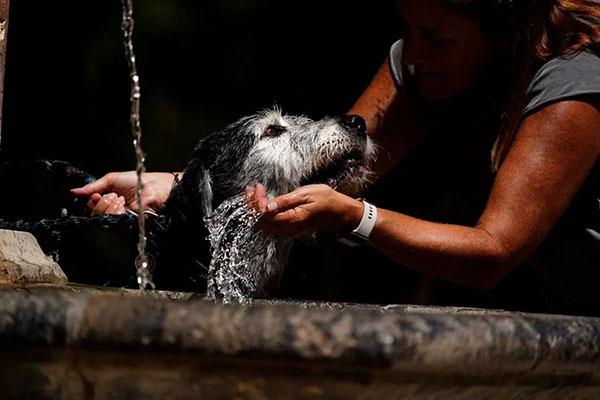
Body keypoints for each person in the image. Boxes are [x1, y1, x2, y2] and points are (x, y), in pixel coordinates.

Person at [73, 0, 600, 311]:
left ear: (500, 32)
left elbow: (492, 252)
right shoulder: (424, 65)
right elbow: (323, 156)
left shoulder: (573, 78)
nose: (412, 53)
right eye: (407, 28)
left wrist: (356, 219)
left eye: (434, 36)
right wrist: (174, 185)